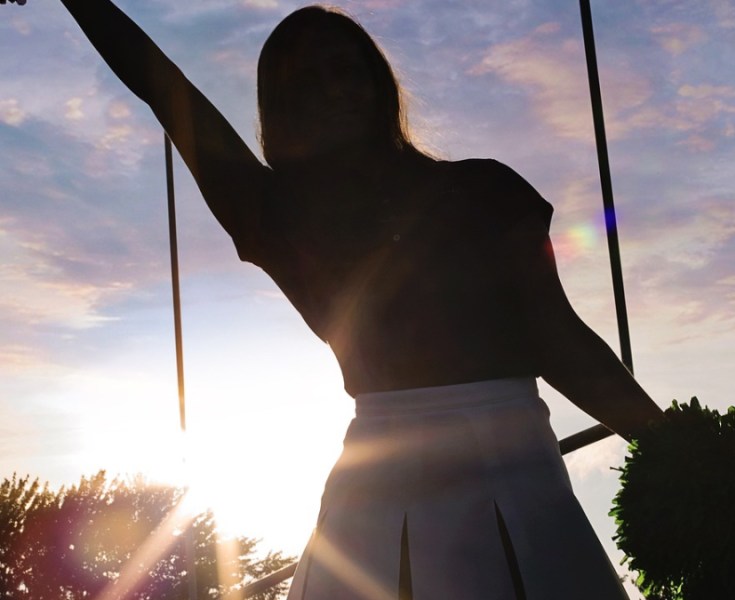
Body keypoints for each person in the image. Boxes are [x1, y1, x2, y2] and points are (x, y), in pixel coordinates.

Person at [39, 2, 665, 598]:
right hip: (379, 501)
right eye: (305, 80)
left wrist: (685, 452)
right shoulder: (275, 215)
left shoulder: (487, 188)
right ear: (281, 107)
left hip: (521, 475)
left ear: (378, 83)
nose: (331, 88)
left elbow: (559, 338)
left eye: (344, 68)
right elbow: (162, 86)